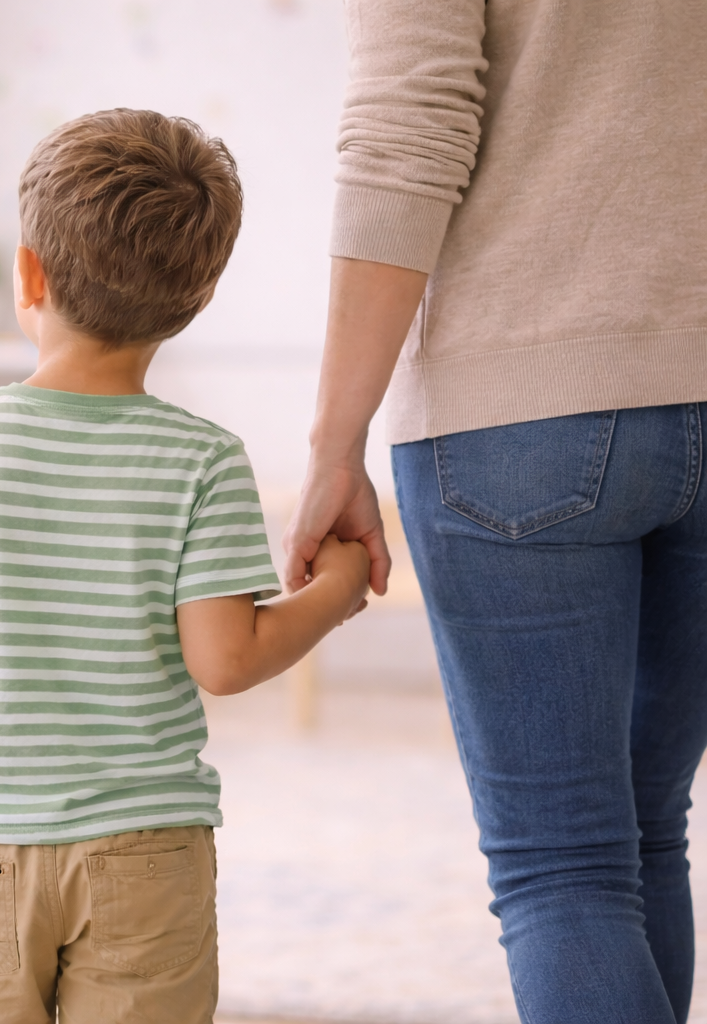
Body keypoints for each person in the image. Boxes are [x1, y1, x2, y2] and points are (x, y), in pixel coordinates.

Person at [0, 108, 370, 1024]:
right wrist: (340, 589)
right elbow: (228, 662)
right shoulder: (204, 460)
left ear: (28, 273)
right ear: (197, 300)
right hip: (145, 848)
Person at [284, 3, 707, 1022]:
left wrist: (334, 443)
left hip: (516, 401)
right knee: (648, 826)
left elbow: (407, 129)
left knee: (567, 868)